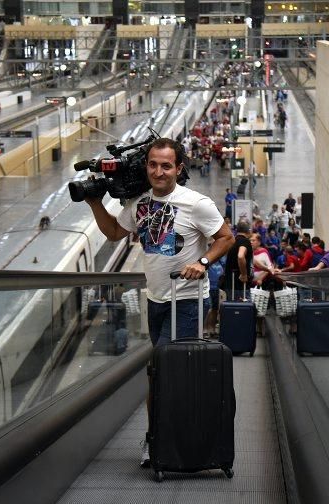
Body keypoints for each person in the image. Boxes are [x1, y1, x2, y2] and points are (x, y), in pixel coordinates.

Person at [82, 137, 234, 467]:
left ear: (179, 169)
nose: (158, 171)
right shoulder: (138, 203)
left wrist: (203, 263)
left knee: (163, 371)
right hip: (156, 301)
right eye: (153, 164)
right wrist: (94, 203)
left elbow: (226, 238)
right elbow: (113, 232)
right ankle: (160, 435)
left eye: (166, 166)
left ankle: (164, 439)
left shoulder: (197, 203)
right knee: (162, 373)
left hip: (189, 301)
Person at [225, 220, 252, 299]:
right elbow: (240, 256)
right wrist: (244, 274)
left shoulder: (232, 241)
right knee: (242, 310)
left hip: (229, 283)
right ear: (248, 231)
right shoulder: (245, 241)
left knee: (231, 309)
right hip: (239, 285)